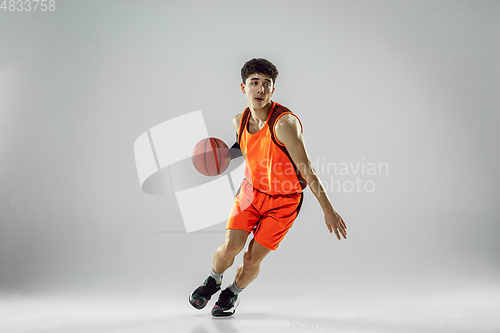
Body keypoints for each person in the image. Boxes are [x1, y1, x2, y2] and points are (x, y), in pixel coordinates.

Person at [189, 58, 347, 317]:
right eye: (254, 83)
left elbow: (307, 168)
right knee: (231, 247)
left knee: (251, 259)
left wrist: (328, 210)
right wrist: (220, 158)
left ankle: (232, 294)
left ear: (273, 89)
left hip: (284, 202)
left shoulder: (284, 124)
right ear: (243, 88)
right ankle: (212, 280)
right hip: (251, 192)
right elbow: (246, 146)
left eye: (266, 84)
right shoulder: (238, 121)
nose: (260, 89)